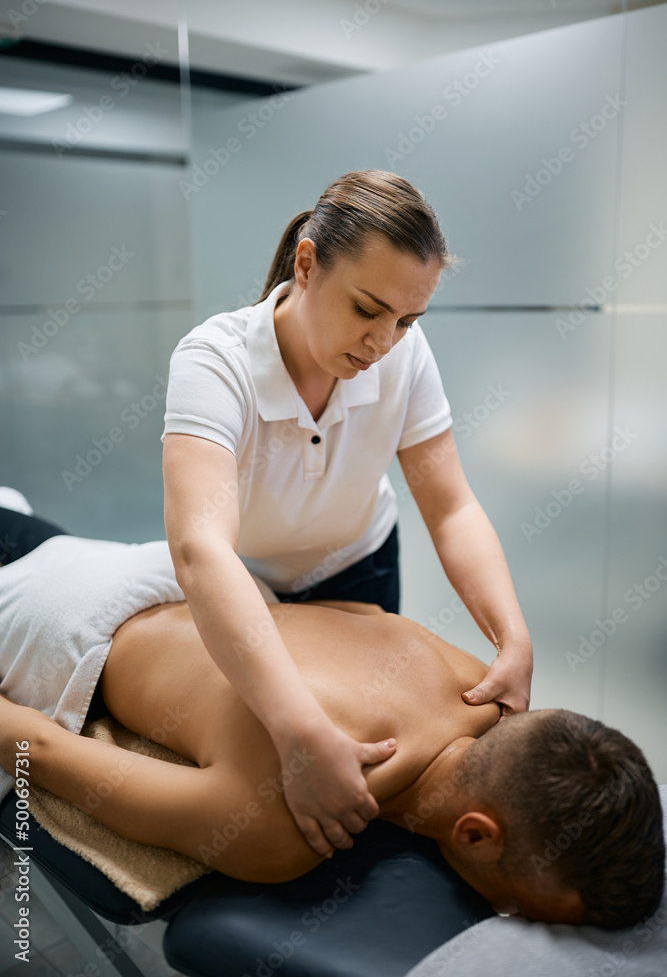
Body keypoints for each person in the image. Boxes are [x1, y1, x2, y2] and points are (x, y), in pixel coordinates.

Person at [0, 509, 663, 929]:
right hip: (49, 622)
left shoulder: (471, 679)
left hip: (158, 570)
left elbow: (362, 619)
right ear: (476, 835)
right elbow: (43, 754)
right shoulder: (287, 825)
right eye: (519, 910)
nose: (505, 917)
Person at [161, 168, 534, 861]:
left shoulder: (401, 353)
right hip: (247, 589)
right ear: (306, 264)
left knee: (369, 780)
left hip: (359, 567)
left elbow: (449, 505)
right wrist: (296, 733)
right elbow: (200, 552)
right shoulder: (214, 362)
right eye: (367, 310)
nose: (383, 342)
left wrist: (510, 635)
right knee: (280, 767)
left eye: (406, 319)